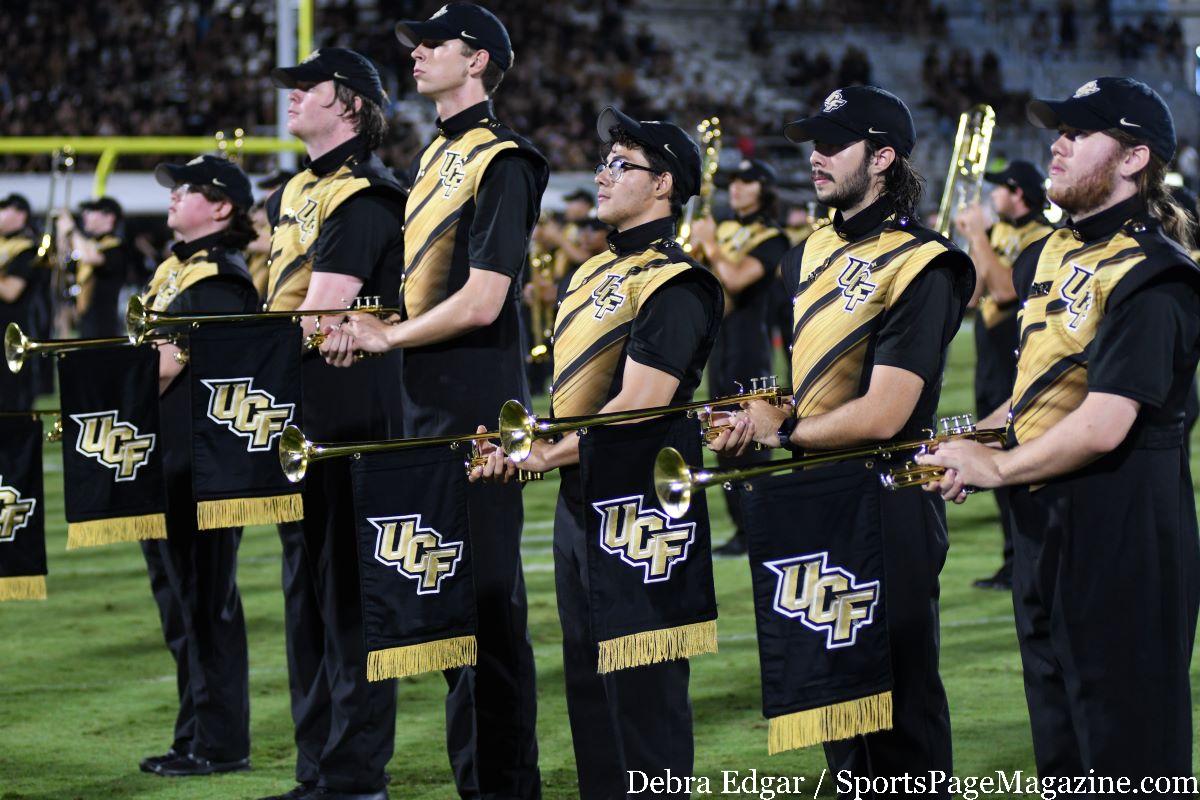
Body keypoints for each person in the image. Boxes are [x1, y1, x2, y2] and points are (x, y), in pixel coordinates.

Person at [919, 77, 1200, 787]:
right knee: (1061, 744)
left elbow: (1105, 423)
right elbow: (1031, 402)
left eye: (1080, 133)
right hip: (1046, 526)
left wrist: (996, 468)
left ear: (1134, 158)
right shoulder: (1049, 254)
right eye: (1059, 131)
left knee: (1125, 751)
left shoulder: (1156, 274)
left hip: (1123, 532)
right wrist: (963, 441)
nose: (1058, 145)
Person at [711, 85, 973, 787]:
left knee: (899, 715)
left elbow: (886, 412)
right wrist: (758, 417)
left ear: (882, 157)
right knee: (834, 704)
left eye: (834, 144)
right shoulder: (809, 251)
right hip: (816, 496)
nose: (816, 157)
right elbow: (817, 385)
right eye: (814, 144)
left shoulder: (925, 262)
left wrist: (785, 430)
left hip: (886, 499)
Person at [472, 106, 722, 800]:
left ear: (663, 184)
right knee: (589, 690)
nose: (603, 175)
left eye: (622, 165)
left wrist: (541, 454)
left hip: (643, 509)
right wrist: (530, 441)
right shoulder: (588, 273)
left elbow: (640, 403)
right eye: (606, 161)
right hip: (582, 501)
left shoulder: (676, 283)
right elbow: (575, 402)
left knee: (643, 699)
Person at [326, 7, 546, 796]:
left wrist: (388, 336)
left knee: (486, 613)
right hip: (425, 401)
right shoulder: (437, 153)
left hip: (475, 405)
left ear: (477, 59)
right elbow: (430, 291)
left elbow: (483, 301)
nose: (416, 54)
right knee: (447, 607)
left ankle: (505, 787)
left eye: (433, 44)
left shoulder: (505, 159)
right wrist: (370, 324)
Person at [260, 47, 407, 800]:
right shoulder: (295, 191)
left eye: (306, 87)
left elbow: (316, 314)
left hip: (352, 421)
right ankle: (316, 767)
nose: (291, 97)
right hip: (300, 414)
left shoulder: (367, 197)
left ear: (349, 103)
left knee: (350, 602)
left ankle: (354, 774)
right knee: (306, 605)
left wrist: (232, 359)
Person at [137, 155, 259, 778]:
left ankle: (219, 743)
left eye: (187, 189)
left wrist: (98, 380)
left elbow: (163, 366)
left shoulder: (218, 280)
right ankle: (193, 736)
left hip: (201, 467)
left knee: (205, 606)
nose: (174, 196)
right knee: (180, 607)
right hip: (166, 458)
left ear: (220, 207)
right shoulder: (177, 272)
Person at [952, 160, 1054, 590]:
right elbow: (973, 295)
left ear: (1018, 193)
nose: (991, 198)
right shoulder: (996, 235)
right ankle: (1013, 561)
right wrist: (970, 244)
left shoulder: (1041, 236)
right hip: (990, 365)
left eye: (999, 190)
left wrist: (978, 235)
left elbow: (1005, 289)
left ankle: (1032, 561)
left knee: (1021, 465)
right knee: (991, 457)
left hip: (1018, 364)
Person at [689, 159, 790, 557]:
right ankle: (741, 528)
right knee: (722, 435)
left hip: (751, 346)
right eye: (733, 181)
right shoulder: (727, 228)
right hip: (720, 345)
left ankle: (760, 527)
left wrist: (710, 244)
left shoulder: (773, 238)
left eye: (746, 181)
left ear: (764, 189)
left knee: (750, 437)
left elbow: (735, 278)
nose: (736, 188)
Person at [56, 196, 128, 337]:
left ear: (109, 217)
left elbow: (91, 258)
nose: (85, 215)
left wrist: (72, 231)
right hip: (84, 324)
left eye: (91, 211)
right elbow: (63, 263)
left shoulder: (117, 247)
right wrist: (62, 234)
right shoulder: (89, 244)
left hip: (105, 328)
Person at [0, 194, 39, 411]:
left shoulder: (26, 250)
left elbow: (11, 292)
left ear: (20, 215)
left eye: (3, 209)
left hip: (12, 337)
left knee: (13, 405)